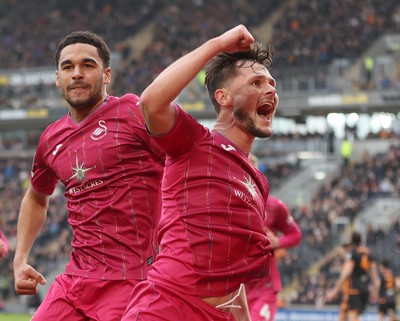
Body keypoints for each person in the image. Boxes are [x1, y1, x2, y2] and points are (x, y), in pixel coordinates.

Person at [122, 24, 278, 321]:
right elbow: (151, 104)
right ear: (224, 97)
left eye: (272, 84)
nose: (270, 89)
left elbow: (234, 272)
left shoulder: (258, 181)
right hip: (166, 307)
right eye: (256, 83)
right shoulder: (194, 141)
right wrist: (217, 44)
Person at [13, 31, 165, 321]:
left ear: (107, 74)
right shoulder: (50, 139)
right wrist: (20, 259)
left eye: (88, 65)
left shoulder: (134, 112)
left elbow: (183, 158)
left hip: (136, 279)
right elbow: (36, 196)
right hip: (77, 280)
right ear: (58, 78)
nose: (77, 74)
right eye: (68, 67)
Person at [246, 153, 302, 321]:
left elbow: (296, 234)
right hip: (237, 288)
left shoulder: (273, 205)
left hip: (265, 287)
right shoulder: (227, 206)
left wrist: (277, 241)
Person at [326, 231, 380, 321]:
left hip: (353, 290)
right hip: (364, 290)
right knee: (346, 314)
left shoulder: (353, 254)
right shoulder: (369, 254)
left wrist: (335, 290)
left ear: (352, 241)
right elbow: (374, 275)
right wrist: (375, 290)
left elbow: (346, 272)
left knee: (352, 316)